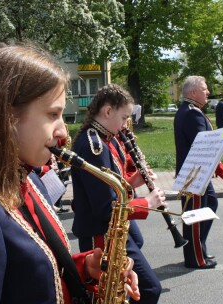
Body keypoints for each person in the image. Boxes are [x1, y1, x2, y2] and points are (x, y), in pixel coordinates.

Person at [0, 44, 139, 303]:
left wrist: (83, 268)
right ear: (7, 116)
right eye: (53, 115)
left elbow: (25, 276)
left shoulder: (28, 179)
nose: (62, 133)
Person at [71, 84, 166, 304]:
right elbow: (105, 208)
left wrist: (134, 181)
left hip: (110, 227)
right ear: (107, 111)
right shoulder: (94, 146)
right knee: (149, 289)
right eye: (124, 118)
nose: (126, 125)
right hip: (100, 232)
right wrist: (146, 202)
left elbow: (113, 185)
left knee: (133, 257)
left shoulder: (108, 138)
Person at [174, 76, 223, 269]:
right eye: (204, 89)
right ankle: (195, 258)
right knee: (196, 216)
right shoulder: (193, 114)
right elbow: (204, 148)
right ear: (193, 93)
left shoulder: (189, 111)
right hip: (195, 175)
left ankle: (198, 248)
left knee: (210, 205)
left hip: (196, 174)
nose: (208, 92)